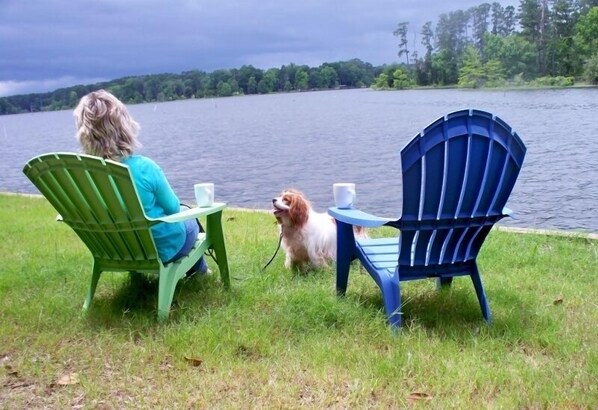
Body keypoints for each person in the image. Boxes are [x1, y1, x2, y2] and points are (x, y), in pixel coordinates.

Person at [73, 89, 209, 276]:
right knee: (188, 217)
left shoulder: (81, 175)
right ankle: (201, 271)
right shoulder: (144, 167)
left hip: (118, 249)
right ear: (123, 125)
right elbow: (172, 209)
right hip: (162, 249)